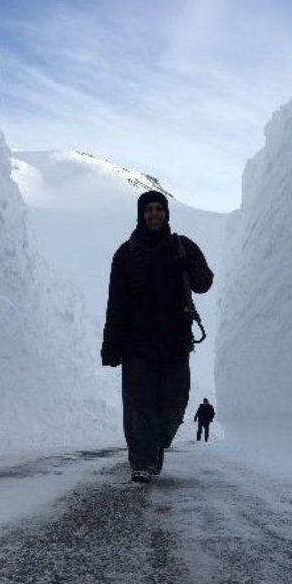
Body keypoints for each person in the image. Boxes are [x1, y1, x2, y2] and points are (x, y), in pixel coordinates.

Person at [101, 190, 213, 483]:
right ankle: (142, 462)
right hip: (136, 346)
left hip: (175, 343)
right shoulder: (125, 254)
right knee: (138, 404)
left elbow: (204, 283)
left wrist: (190, 261)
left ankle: (156, 445)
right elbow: (116, 304)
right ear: (141, 214)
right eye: (149, 209)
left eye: (159, 209)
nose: (154, 214)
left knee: (173, 404)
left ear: (166, 214)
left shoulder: (181, 246)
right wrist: (111, 348)